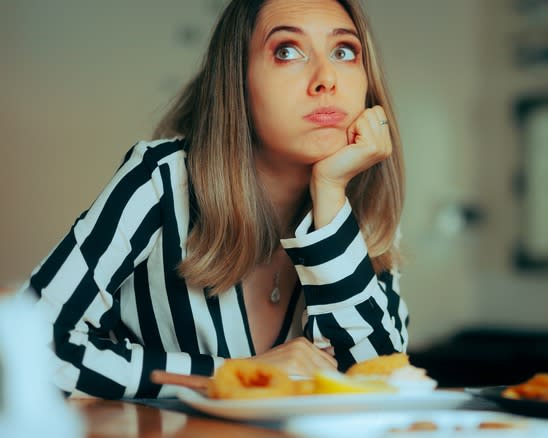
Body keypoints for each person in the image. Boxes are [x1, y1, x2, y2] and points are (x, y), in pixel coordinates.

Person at [19, 0, 408, 399]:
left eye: (344, 51)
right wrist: (231, 376)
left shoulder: (358, 209)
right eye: (287, 51)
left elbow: (380, 382)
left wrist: (329, 196)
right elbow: (30, 346)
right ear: (237, 80)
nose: (326, 78)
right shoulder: (162, 179)